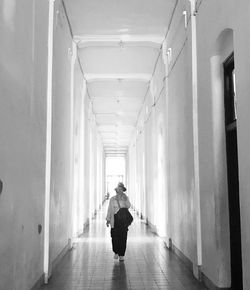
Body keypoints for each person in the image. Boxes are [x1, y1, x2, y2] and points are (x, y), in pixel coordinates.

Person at [106, 182, 131, 261]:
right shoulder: (112, 199)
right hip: (115, 220)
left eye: (121, 189)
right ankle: (116, 252)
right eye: (118, 189)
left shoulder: (125, 198)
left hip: (123, 221)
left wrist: (126, 199)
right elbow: (110, 209)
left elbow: (129, 206)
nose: (120, 191)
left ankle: (121, 254)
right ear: (116, 190)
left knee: (123, 237)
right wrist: (108, 219)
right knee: (114, 237)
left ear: (123, 190)